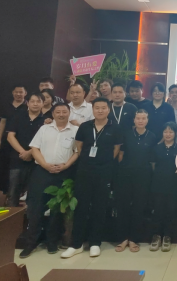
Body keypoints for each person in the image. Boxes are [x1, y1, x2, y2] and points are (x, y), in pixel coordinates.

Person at [61, 97, 123, 259]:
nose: (100, 110)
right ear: (93, 109)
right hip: (85, 170)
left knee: (99, 207)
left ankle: (95, 242)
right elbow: (79, 146)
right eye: (97, 108)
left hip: (104, 171)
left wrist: (103, 162)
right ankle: (76, 244)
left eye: (103, 108)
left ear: (108, 109)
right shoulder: (85, 126)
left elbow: (116, 149)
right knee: (81, 206)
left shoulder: (115, 127)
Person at [19, 103, 79, 258]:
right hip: (42, 172)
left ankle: (52, 242)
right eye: (58, 112)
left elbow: (77, 152)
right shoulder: (44, 129)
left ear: (69, 113)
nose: (61, 114)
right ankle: (30, 243)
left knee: (57, 209)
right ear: (53, 114)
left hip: (64, 173)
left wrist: (66, 165)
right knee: (36, 208)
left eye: (64, 112)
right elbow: (35, 148)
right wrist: (45, 165)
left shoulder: (75, 131)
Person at [115, 110, 157, 253]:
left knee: (139, 207)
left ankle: (134, 239)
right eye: (138, 118)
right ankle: (122, 238)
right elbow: (120, 154)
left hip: (143, 176)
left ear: (147, 120)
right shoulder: (126, 134)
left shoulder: (152, 136)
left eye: (143, 118)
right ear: (134, 120)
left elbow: (152, 159)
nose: (140, 121)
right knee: (123, 206)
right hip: (125, 174)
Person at [6, 92, 45, 207]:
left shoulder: (47, 120)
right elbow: (10, 136)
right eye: (32, 101)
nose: (35, 104)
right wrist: (23, 152)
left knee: (32, 192)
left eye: (38, 101)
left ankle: (28, 217)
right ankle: (12, 216)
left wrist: (30, 153)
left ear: (43, 103)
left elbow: (45, 141)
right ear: (27, 103)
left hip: (36, 161)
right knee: (13, 192)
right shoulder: (18, 116)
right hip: (17, 158)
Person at [150, 122, 177, 252]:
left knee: (171, 211)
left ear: (175, 134)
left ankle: (168, 236)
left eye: (170, 132)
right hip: (158, 184)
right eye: (165, 132)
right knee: (158, 211)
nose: (168, 134)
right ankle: (156, 236)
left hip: (174, 185)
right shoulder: (156, 148)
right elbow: (153, 166)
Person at [0, 85, 27, 151]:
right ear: (13, 92)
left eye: (21, 92)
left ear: (25, 93)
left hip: (21, 138)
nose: (18, 94)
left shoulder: (28, 106)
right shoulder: (7, 105)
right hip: (6, 138)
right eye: (16, 92)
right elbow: (2, 122)